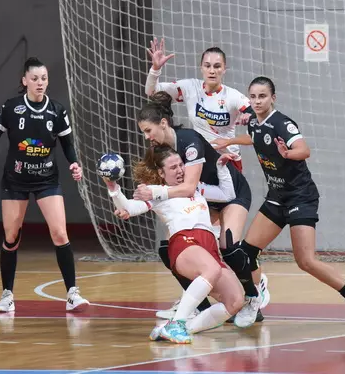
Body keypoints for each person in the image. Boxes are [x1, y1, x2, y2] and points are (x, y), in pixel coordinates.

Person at [213, 76, 345, 326]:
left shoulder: (283, 123)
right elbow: (254, 137)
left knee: (305, 261)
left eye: (262, 96)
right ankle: (254, 301)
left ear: (273, 98)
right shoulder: (254, 122)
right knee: (246, 252)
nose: (257, 101)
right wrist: (231, 141)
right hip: (277, 196)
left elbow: (304, 149)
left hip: (301, 196)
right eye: (253, 96)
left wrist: (288, 154)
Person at [145, 38, 270, 305]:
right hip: (196, 166)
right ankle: (197, 300)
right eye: (207, 65)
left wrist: (246, 121)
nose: (212, 70)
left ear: (224, 69)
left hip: (224, 167)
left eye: (217, 66)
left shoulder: (233, 97)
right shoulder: (190, 88)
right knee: (192, 241)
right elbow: (152, 94)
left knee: (227, 244)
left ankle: (255, 286)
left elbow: (258, 119)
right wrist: (155, 69)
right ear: (201, 68)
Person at [134, 92, 263, 327]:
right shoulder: (161, 150)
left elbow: (188, 187)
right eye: (143, 132)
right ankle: (197, 305)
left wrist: (155, 193)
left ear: (163, 123)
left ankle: (253, 297)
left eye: (148, 130)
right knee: (167, 249)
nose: (147, 137)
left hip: (230, 192)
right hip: (205, 196)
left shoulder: (189, 141)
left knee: (228, 245)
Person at [105, 145, 246, 344]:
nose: (180, 170)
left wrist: (222, 168)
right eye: (173, 167)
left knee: (235, 300)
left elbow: (227, 195)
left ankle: (177, 328)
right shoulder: (156, 194)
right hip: (185, 242)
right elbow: (128, 207)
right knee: (211, 269)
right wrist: (113, 188)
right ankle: (177, 323)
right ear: (161, 173)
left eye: (181, 165)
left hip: (209, 248)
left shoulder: (195, 187)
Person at [0, 57, 88, 313]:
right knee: (11, 236)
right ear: (25, 81)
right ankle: (7, 296)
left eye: (44, 78)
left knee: (60, 233)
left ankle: (72, 294)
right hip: (15, 179)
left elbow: (68, 145)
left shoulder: (57, 110)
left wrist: (74, 164)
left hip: (46, 179)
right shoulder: (11, 107)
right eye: (35, 78)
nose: (40, 83)